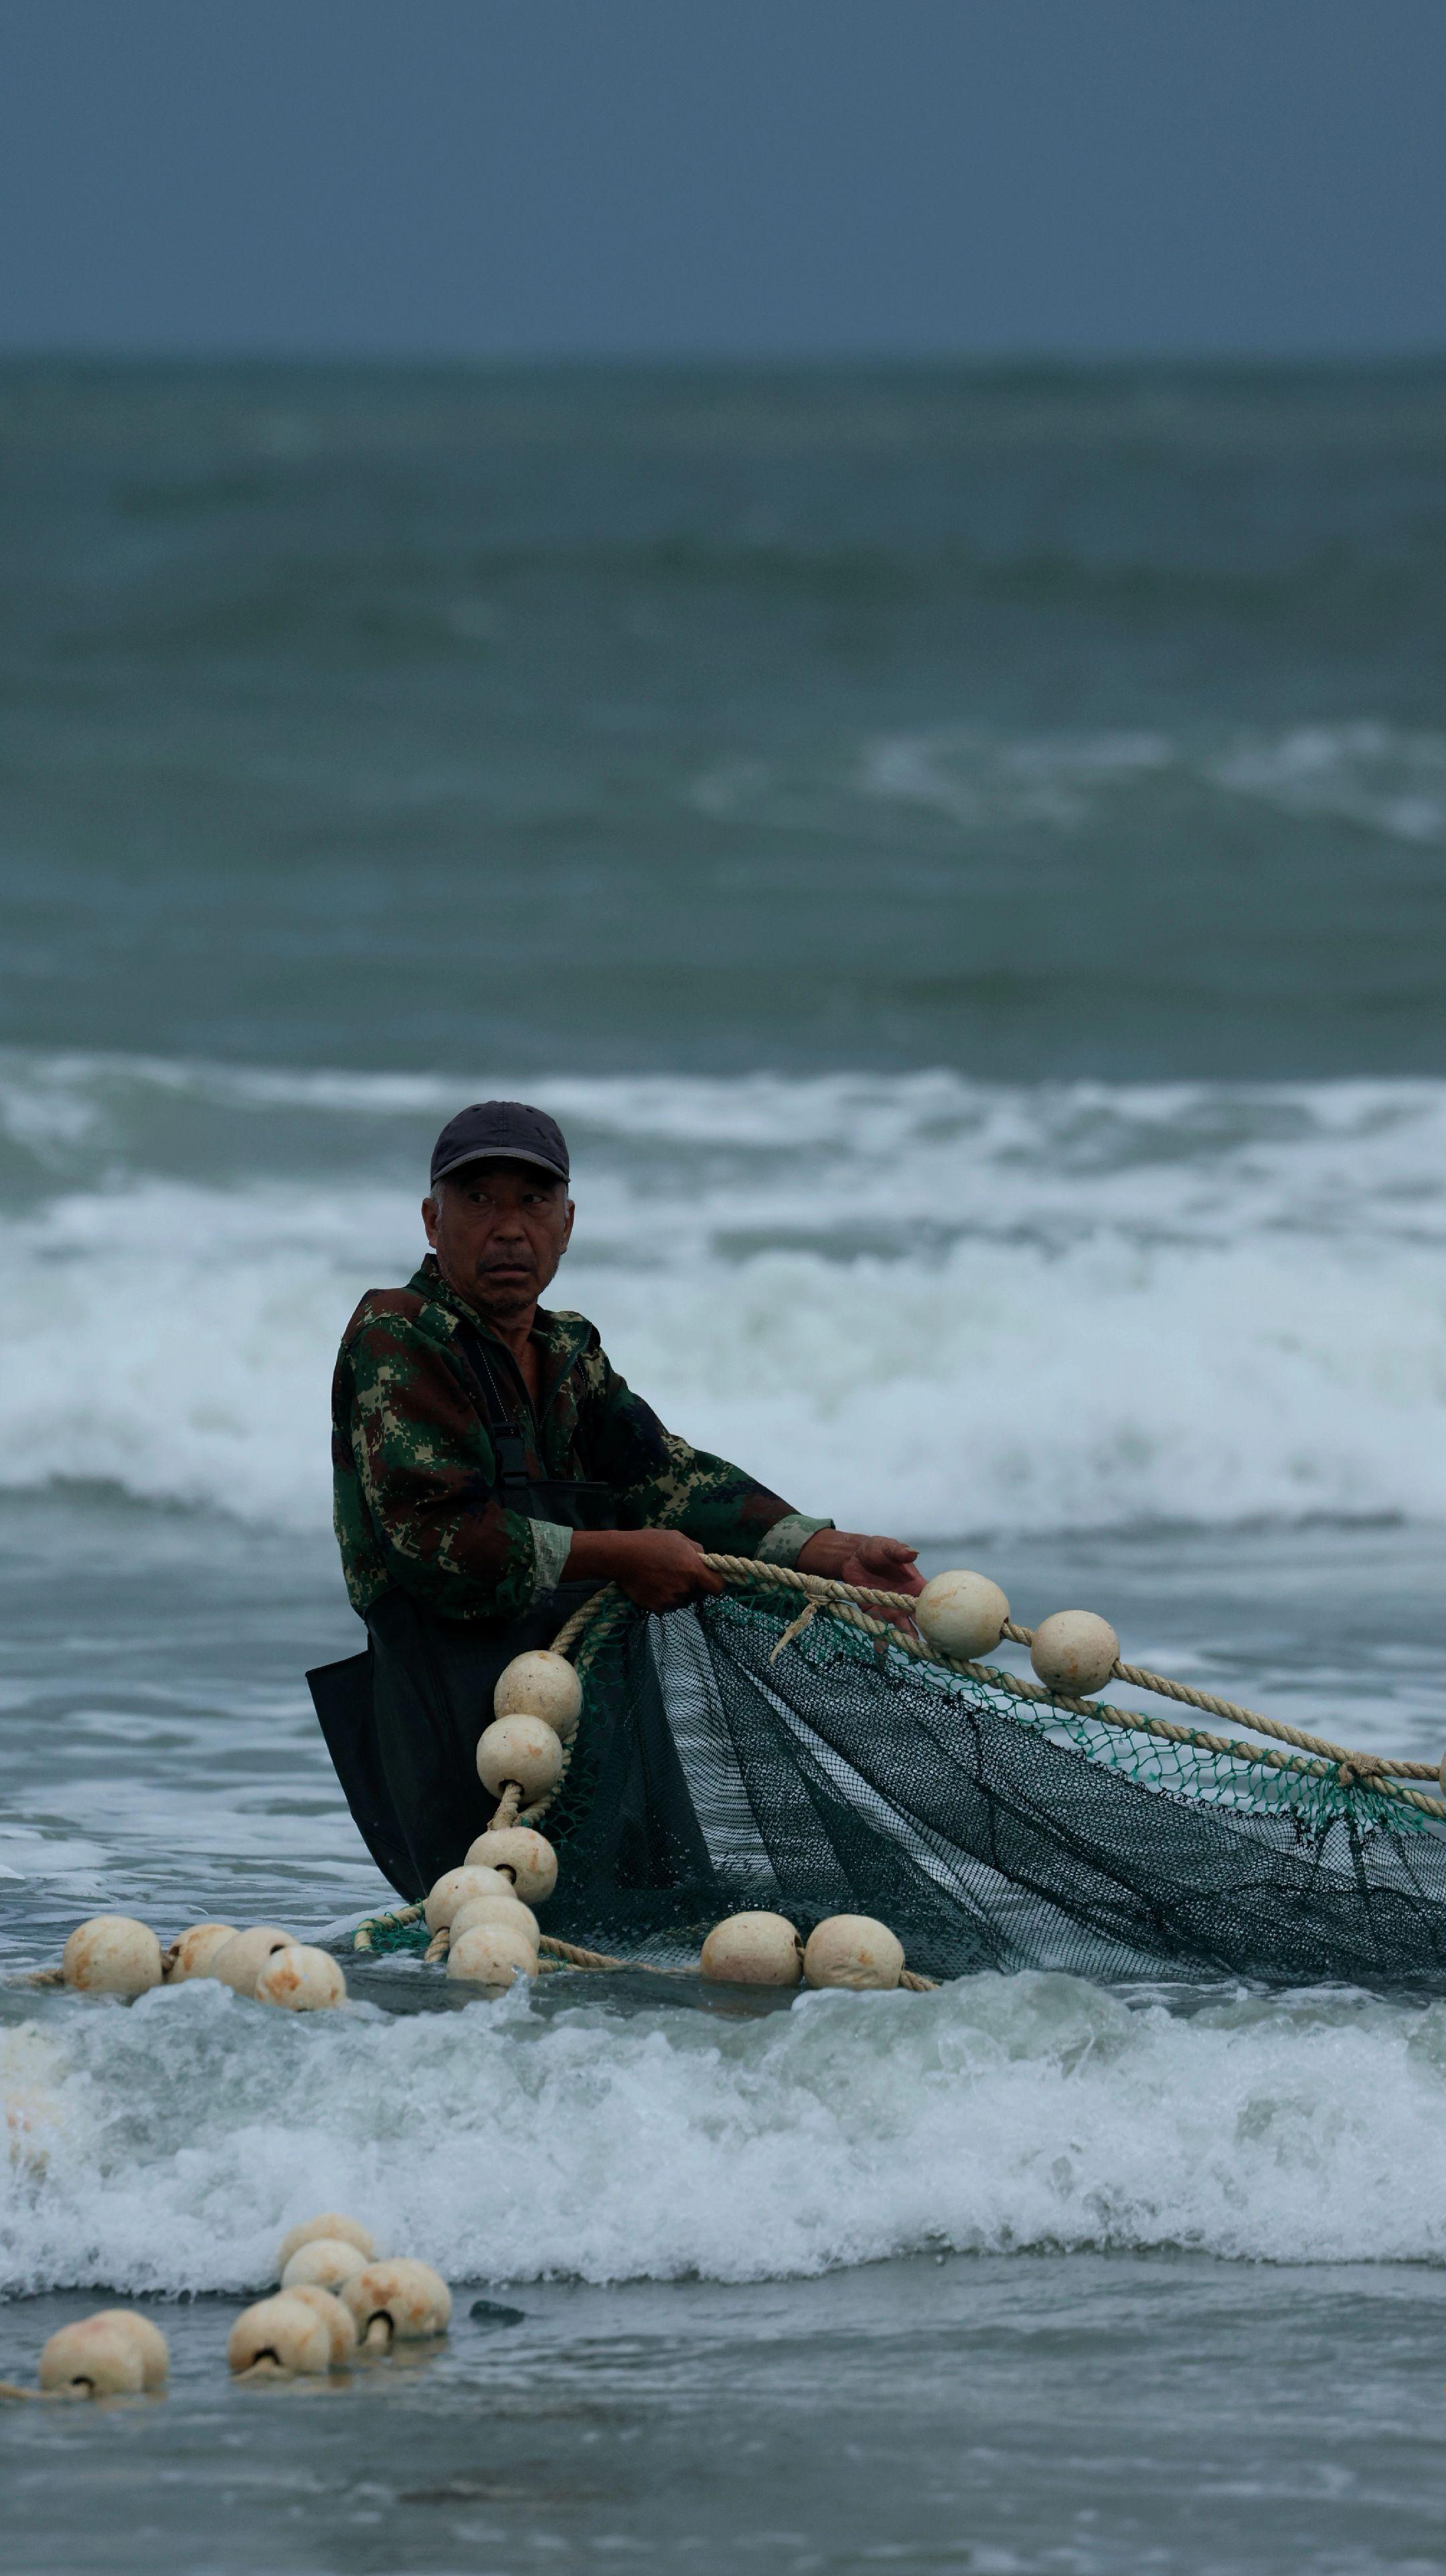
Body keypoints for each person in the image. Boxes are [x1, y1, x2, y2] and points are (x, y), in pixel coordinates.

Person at [309, 1099, 923, 1899]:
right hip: (451, 1721)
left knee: (629, 1937)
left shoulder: (567, 1351)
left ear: (567, 1224)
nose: (507, 1227)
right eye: (478, 1198)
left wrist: (827, 1552)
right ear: (432, 1220)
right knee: (491, 1942)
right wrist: (620, 1557)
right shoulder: (399, 1334)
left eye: (533, 1201)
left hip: (589, 1702)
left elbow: (668, 1481)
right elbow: (441, 1545)